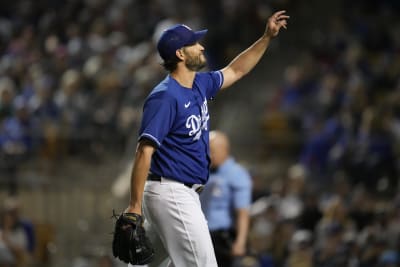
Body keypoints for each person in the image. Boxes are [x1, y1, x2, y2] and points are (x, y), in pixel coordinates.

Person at [125, 10, 289, 267]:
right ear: (180, 54)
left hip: (181, 194)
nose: (201, 46)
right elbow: (144, 152)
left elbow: (237, 70)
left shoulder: (199, 84)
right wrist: (134, 205)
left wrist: (266, 37)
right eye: (193, 44)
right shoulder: (165, 97)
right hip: (171, 193)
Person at [200, 130, 252, 267]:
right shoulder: (203, 172)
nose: (208, 154)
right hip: (199, 234)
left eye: (212, 150)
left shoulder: (236, 174)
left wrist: (240, 242)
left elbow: (242, 212)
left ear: (224, 149)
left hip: (221, 237)